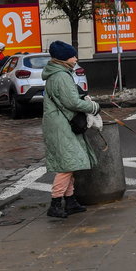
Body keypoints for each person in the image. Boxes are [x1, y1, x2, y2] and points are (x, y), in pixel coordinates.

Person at [42, 40, 100, 219]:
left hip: (60, 122)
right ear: (63, 58)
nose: (75, 59)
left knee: (71, 162)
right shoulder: (61, 76)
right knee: (67, 165)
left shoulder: (59, 74)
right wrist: (93, 107)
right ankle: (56, 202)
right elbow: (72, 102)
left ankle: (71, 200)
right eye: (72, 56)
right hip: (61, 125)